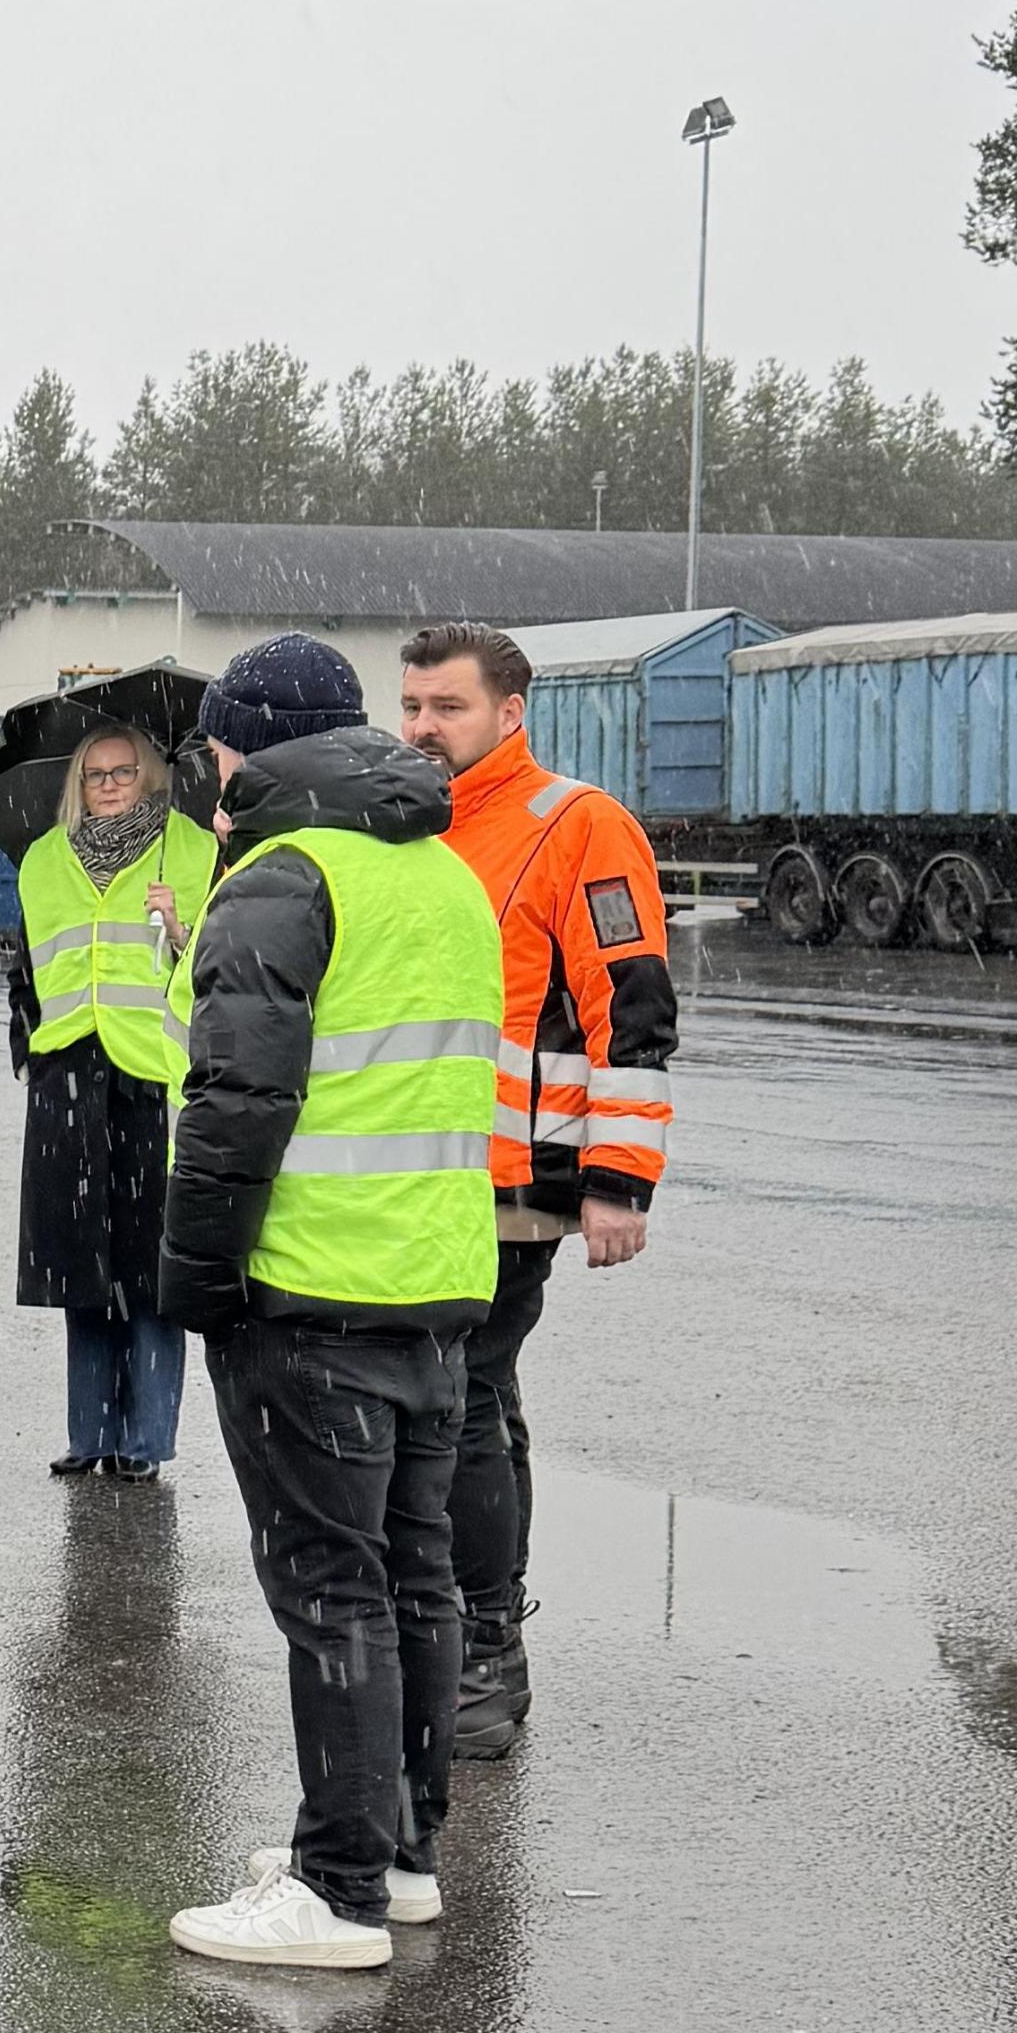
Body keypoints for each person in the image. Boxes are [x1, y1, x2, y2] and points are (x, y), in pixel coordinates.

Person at [153, 635, 505, 1977]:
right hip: (432, 1284)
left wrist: (192, 1279)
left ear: (243, 748)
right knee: (415, 1581)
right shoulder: (440, 875)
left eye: (214, 748)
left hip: (309, 1290)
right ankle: (395, 1851)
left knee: (329, 1592)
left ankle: (336, 1889)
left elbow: (236, 1106)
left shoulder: (284, 877)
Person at [391, 620, 678, 1758]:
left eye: (445, 707)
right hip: (421, 1172)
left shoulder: (577, 822)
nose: (421, 726)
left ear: (509, 712)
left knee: (460, 1397)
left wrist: (620, 1180)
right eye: (411, 705)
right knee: (461, 1397)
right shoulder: (413, 822)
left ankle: (485, 1653)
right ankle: (459, 1639)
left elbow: (635, 1004)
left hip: (521, 1177)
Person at [7, 715, 217, 1481]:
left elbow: (223, 963)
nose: (108, 787)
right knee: (81, 1267)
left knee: (150, 1272)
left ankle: (145, 1442)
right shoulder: (42, 859)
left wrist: (180, 924)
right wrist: (25, 1035)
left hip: (152, 1080)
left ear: (151, 778)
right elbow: (26, 963)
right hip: (68, 1077)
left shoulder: (194, 852)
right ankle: (89, 1434)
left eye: (123, 773)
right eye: (96, 776)